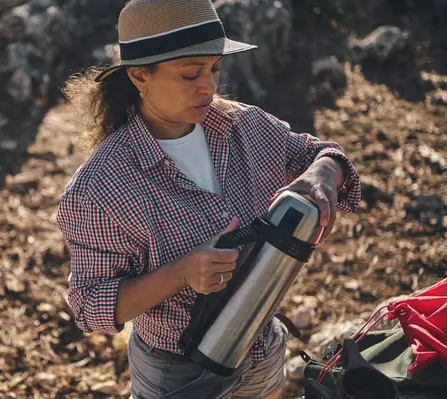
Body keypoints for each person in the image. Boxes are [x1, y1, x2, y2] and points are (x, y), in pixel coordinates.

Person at [56, 0, 362, 398]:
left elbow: (319, 154)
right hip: (180, 375)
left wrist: (324, 171)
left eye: (215, 68)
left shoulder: (243, 125)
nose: (210, 86)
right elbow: (89, 305)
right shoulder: (100, 189)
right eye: (190, 74)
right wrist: (180, 274)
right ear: (138, 76)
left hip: (263, 347)